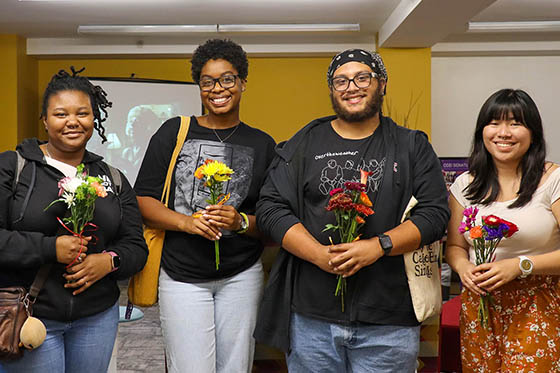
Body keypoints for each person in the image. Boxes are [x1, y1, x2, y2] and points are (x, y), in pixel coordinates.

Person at [255, 49, 449, 372]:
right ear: (332, 90)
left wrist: (378, 247)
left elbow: (434, 214)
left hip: (389, 320)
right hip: (311, 320)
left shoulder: (411, 146)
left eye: (362, 77)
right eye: (340, 80)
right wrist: (318, 254)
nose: (351, 87)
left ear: (381, 84)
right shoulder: (304, 143)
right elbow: (271, 207)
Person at [134, 39, 276, 373]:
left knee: (236, 368)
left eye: (227, 79)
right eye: (208, 81)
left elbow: (270, 218)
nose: (218, 89)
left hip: (241, 275)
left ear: (242, 82)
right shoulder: (174, 132)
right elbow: (143, 200)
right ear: (199, 87)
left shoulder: (263, 143)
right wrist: (186, 223)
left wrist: (240, 221)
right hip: (182, 275)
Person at [0, 68, 148, 372]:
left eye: (82, 113)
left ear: (94, 118)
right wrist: (49, 248)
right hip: (30, 316)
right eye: (60, 113)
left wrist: (109, 261)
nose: (72, 121)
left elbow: (136, 245)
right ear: (44, 119)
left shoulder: (113, 178)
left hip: (97, 318)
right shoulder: (12, 167)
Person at [446, 89, 560, 372]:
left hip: (538, 303)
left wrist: (521, 265)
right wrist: (463, 269)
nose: (503, 132)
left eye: (515, 123)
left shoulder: (553, 179)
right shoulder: (465, 185)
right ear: (482, 131)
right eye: (494, 123)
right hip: (479, 306)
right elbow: (455, 247)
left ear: (533, 132)